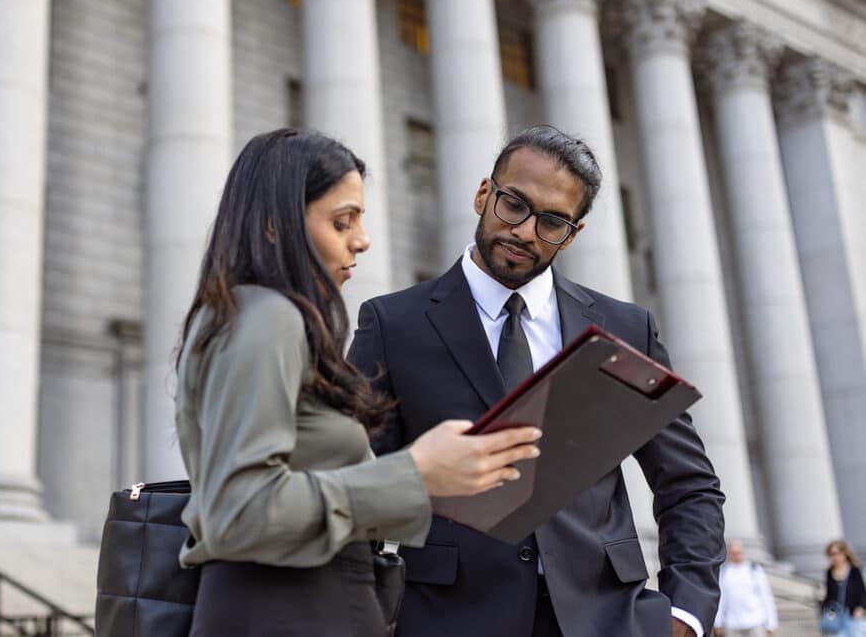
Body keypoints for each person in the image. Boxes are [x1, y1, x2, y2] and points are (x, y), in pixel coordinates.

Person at [349, 125, 727, 637]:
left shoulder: (624, 328)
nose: (525, 231)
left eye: (552, 222)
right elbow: (352, 477)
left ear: (573, 234)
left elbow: (688, 484)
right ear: (484, 194)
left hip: (605, 619)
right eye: (514, 205)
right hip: (448, 618)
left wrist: (685, 612)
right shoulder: (393, 325)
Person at [173, 128, 542, 637]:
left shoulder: (252, 315)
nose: (362, 240)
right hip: (287, 609)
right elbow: (238, 511)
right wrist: (415, 471)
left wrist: (442, 479)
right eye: (341, 222)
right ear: (272, 226)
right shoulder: (266, 317)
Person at [713, 540, 778, 637]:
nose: (736, 556)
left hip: (755, 621)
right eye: (733, 553)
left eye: (739, 553)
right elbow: (722, 599)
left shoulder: (754, 570)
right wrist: (718, 622)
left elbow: (766, 596)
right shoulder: (724, 572)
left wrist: (771, 623)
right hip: (732, 624)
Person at [822, 539, 866, 635]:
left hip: (852, 614)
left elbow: (862, 592)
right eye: (830, 554)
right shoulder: (829, 572)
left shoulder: (854, 570)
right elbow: (829, 595)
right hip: (835, 615)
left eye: (835, 553)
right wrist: (828, 611)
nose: (833, 557)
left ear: (844, 553)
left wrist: (861, 608)